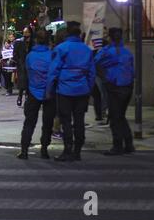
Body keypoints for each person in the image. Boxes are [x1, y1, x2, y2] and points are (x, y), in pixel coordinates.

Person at [46, 23, 96, 162]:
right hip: (82, 90)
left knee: (66, 121)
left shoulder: (61, 48)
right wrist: (89, 88)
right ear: (79, 34)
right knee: (79, 121)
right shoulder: (87, 50)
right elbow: (92, 73)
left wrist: (49, 89)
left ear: (67, 34)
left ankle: (68, 150)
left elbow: (53, 71)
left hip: (65, 90)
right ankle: (77, 151)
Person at [95, 28, 135, 155]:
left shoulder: (108, 52)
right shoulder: (127, 52)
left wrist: (105, 77)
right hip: (128, 86)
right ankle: (129, 143)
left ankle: (117, 146)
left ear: (110, 38)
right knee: (121, 116)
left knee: (115, 117)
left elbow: (95, 62)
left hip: (115, 87)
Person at [18, 30, 55, 160]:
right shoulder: (52, 55)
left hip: (33, 91)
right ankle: (44, 149)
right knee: (48, 123)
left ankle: (24, 150)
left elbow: (27, 73)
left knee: (29, 122)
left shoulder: (31, 56)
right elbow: (53, 74)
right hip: (49, 93)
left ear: (36, 40)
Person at [13, 26, 34, 107]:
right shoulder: (19, 42)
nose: (25, 34)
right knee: (22, 82)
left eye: (27, 32)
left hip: (31, 65)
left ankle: (27, 97)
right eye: (24, 32)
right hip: (22, 65)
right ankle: (20, 96)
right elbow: (15, 54)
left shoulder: (33, 42)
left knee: (29, 82)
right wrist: (19, 62)